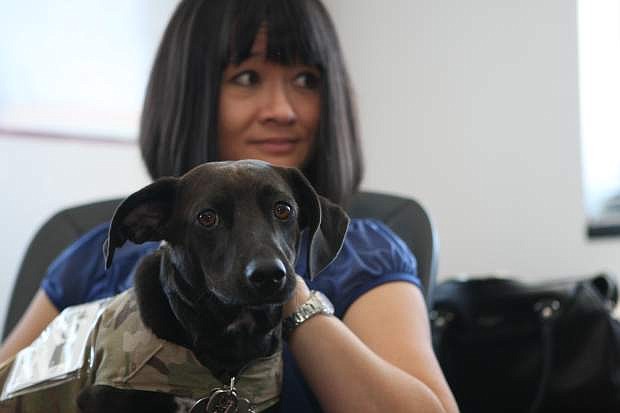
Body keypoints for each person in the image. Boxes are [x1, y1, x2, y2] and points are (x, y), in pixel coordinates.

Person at [0, 0, 459, 412]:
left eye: (306, 80)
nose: (283, 108)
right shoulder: (93, 257)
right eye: (247, 78)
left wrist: (284, 289)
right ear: (189, 94)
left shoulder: (364, 253)